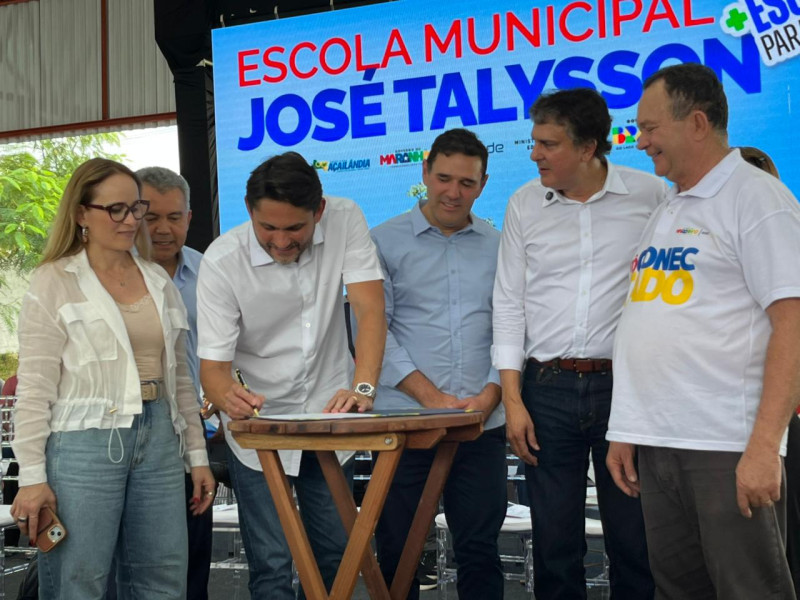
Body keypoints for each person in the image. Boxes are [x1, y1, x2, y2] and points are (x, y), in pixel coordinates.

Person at [606, 63, 800, 600]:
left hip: (724, 445)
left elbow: (794, 323)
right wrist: (628, 427)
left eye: (649, 128)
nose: (639, 141)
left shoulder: (757, 199)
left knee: (749, 590)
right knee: (677, 591)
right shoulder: (670, 207)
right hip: (660, 442)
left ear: (696, 123)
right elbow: (649, 320)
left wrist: (764, 446)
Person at [10, 158, 215, 599]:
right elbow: (34, 390)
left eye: (135, 208)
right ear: (82, 213)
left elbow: (180, 378)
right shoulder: (54, 281)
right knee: (78, 581)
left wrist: (197, 456)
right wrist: (31, 476)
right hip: (84, 440)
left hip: (161, 434)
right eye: (115, 209)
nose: (130, 220)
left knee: (163, 578)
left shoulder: (158, 279)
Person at [493, 88, 663, 599]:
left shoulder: (652, 195)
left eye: (548, 143)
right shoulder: (524, 203)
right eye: (533, 141)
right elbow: (508, 304)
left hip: (627, 389)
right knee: (554, 545)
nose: (534, 153)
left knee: (635, 539)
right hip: (545, 389)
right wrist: (513, 399)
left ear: (588, 147)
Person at [197, 151, 387, 599]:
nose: (281, 242)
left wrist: (363, 387)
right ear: (249, 212)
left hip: (330, 417)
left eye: (295, 229)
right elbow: (214, 372)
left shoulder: (345, 218)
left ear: (318, 211)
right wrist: (229, 397)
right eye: (268, 229)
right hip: (258, 432)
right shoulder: (222, 261)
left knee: (337, 558)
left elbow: (369, 309)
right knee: (272, 566)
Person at [370, 128, 506, 599]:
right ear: (424, 172)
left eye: (467, 183)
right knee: (399, 551)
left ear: (484, 183)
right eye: (444, 178)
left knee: (480, 550)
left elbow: (512, 329)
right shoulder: (381, 242)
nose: (454, 192)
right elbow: (371, 335)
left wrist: (490, 395)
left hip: (481, 425)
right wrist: (433, 400)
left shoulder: (500, 245)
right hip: (405, 424)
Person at [139, 166, 212, 600]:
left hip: (195, 439)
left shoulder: (212, 273)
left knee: (190, 559)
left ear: (188, 217)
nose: (163, 229)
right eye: (151, 217)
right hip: (129, 443)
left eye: (174, 216)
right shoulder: (108, 276)